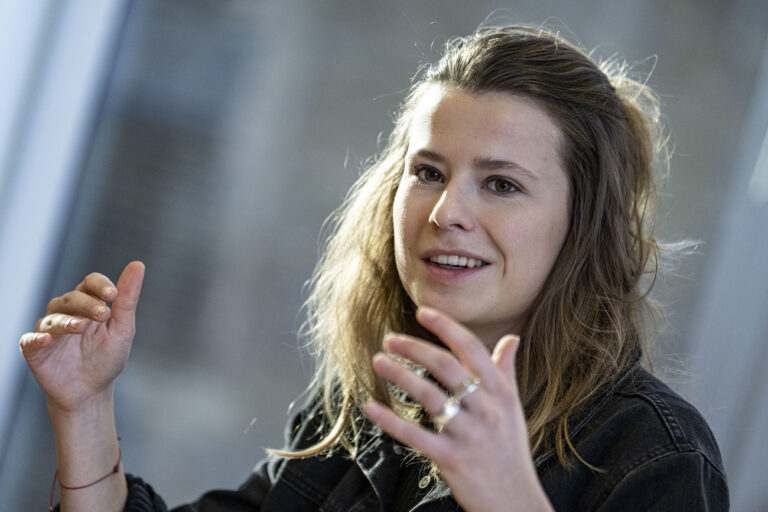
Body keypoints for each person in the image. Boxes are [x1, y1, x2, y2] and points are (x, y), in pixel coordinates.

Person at [20, 25, 728, 511]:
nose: (446, 210)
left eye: (502, 184)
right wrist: (83, 409)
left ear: (582, 229)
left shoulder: (655, 454)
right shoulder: (366, 408)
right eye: (428, 171)